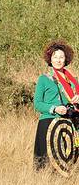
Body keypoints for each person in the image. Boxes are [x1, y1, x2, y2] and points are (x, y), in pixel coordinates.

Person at [33, 40, 79, 169]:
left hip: (69, 124)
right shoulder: (44, 79)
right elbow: (37, 104)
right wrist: (54, 108)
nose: (58, 60)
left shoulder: (73, 81)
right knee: (48, 165)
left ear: (66, 59)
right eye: (55, 57)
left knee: (69, 163)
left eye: (61, 57)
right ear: (50, 59)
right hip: (49, 123)